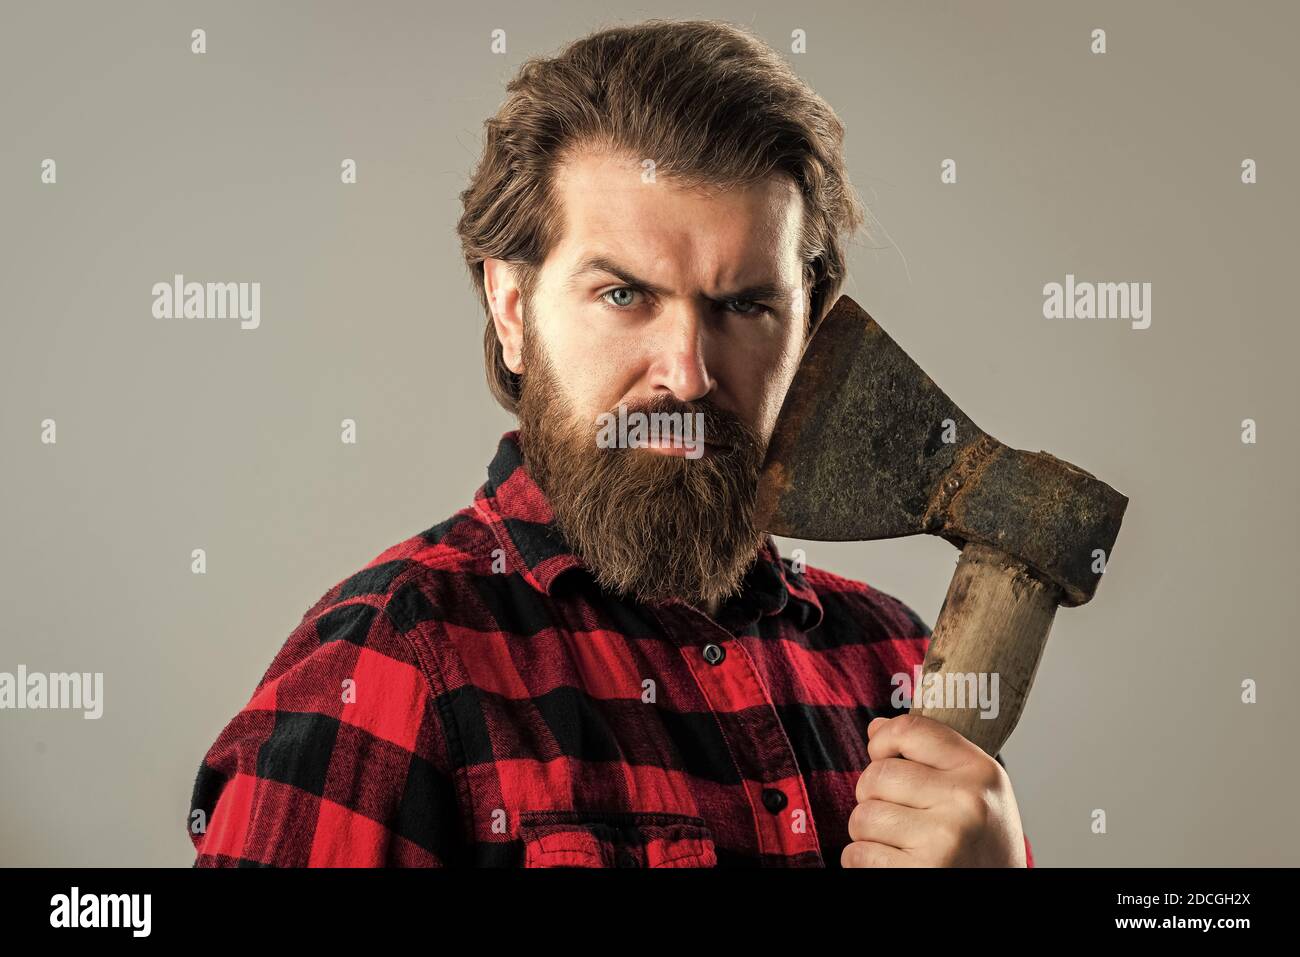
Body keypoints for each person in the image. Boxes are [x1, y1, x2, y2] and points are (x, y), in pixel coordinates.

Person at [188, 18, 1033, 868]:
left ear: (809, 322)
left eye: (744, 305)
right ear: (513, 308)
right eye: (625, 294)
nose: (689, 374)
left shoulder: (893, 665)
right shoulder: (388, 668)